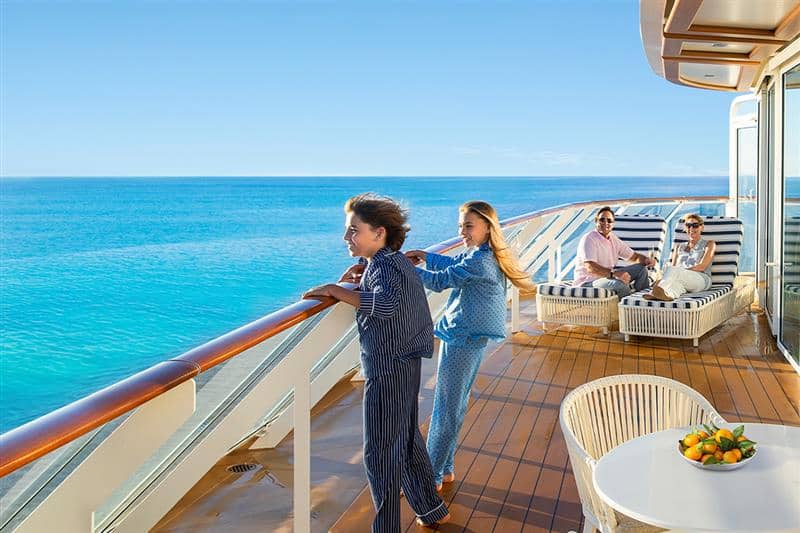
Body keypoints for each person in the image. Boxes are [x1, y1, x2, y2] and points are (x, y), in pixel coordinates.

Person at [303, 193, 449, 532]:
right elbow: (387, 295)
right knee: (407, 438)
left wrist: (335, 290)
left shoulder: (384, 266)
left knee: (380, 452)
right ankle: (431, 509)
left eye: (354, 230)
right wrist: (357, 279)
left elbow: (383, 306)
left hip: (389, 368)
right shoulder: (391, 263)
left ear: (379, 233)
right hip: (406, 361)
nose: (346, 237)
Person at [405, 201, 534, 491]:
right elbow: (455, 266)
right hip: (471, 339)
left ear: (488, 226)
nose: (462, 231)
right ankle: (445, 468)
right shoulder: (485, 255)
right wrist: (427, 256)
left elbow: (439, 283)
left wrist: (400, 265)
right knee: (454, 404)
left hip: (461, 339)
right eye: (460, 226)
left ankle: (431, 478)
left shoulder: (479, 260)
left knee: (445, 408)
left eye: (468, 226)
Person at [572, 206, 655, 298]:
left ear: (613, 224)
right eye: (602, 220)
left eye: (609, 220)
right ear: (596, 221)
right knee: (620, 285)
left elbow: (634, 257)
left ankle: (639, 301)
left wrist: (646, 260)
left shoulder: (613, 239)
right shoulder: (589, 239)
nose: (605, 223)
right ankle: (626, 309)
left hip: (606, 278)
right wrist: (614, 274)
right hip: (588, 283)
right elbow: (590, 267)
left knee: (641, 270)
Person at [644, 213, 715, 301]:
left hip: (701, 279)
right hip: (682, 279)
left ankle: (656, 289)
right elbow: (673, 266)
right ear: (685, 228)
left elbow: (702, 266)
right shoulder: (679, 246)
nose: (691, 228)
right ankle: (667, 295)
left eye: (695, 225)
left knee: (673, 270)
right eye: (688, 226)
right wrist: (674, 274)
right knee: (676, 286)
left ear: (702, 227)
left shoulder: (709, 244)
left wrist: (676, 273)